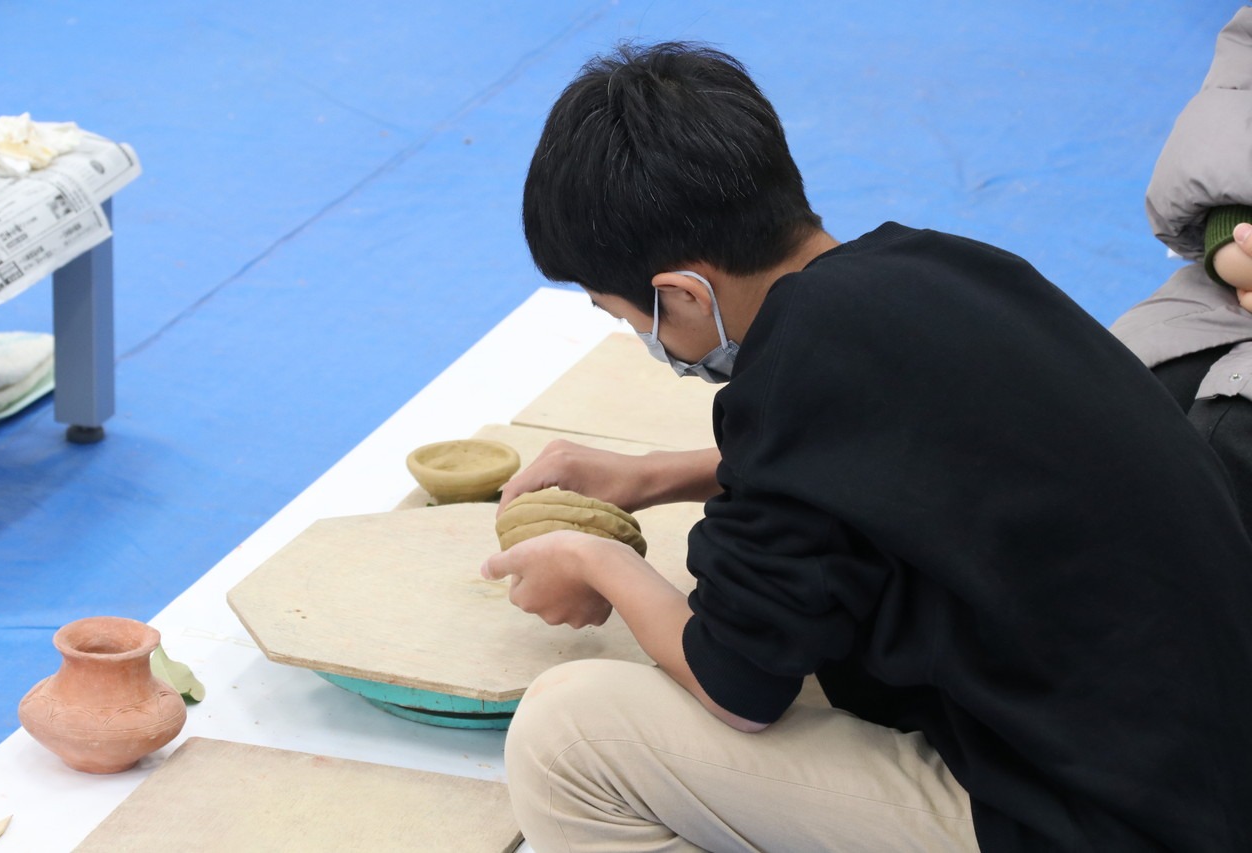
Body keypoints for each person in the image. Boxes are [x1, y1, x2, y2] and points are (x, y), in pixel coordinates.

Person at [480, 42, 1252, 852]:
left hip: (1097, 823)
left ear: (680, 291)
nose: (643, 336)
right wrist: (654, 475)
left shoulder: (794, 370)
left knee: (568, 738)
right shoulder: (943, 266)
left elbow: (737, 684)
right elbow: (897, 470)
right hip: (1198, 771)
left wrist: (594, 561)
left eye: (624, 315)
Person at [1111, 7, 1252, 536]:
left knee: (1229, 437)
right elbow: (1226, 151)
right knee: (1119, 400)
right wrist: (1231, 248)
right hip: (1233, 287)